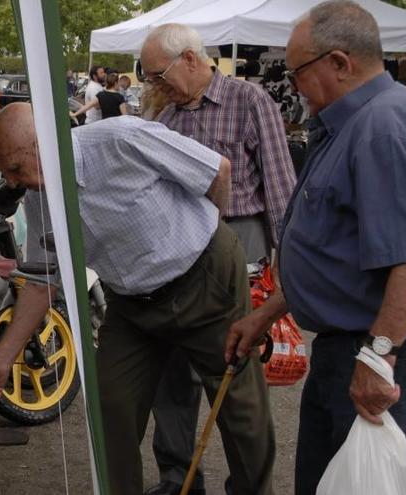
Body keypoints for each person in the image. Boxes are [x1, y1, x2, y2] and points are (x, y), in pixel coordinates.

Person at [0, 103, 275, 495]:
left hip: (204, 278)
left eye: (14, 168)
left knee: (240, 409)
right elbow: (43, 281)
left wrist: (205, 236)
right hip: (132, 303)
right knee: (109, 406)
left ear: (42, 144)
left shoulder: (121, 139)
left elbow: (218, 170)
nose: (12, 182)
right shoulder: (39, 200)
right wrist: (2, 358)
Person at [226, 2, 406, 495]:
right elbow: (334, 250)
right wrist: (267, 313)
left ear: (340, 63)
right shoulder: (352, 124)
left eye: (298, 71)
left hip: (381, 349)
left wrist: (378, 358)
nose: (292, 84)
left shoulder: (387, 126)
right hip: (352, 346)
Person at [139, 23, 296, 495]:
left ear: (190, 58)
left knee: (233, 368)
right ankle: (177, 478)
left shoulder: (250, 102)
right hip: (178, 247)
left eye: (158, 74)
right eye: (148, 78)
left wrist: (287, 265)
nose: (154, 85)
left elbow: (281, 187)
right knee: (172, 365)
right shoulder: (165, 116)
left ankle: (249, 484)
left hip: (239, 240)